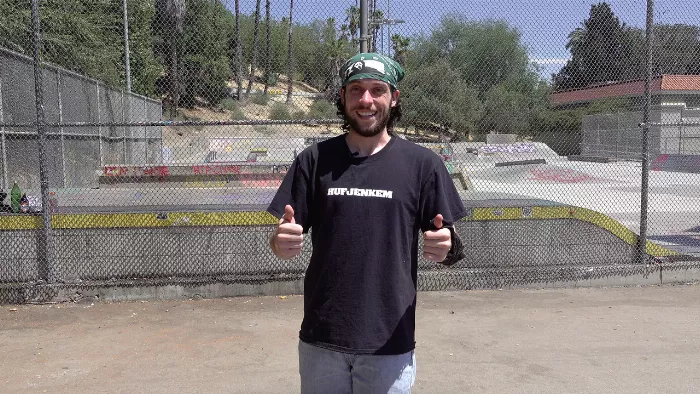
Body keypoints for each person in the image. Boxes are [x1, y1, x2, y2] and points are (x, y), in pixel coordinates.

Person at [267, 52, 467, 393]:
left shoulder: (423, 164)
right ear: (343, 97)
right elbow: (282, 236)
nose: (366, 100)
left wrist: (447, 246)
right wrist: (279, 242)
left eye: (377, 90)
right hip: (322, 338)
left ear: (393, 98)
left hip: (388, 341)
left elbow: (451, 245)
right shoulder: (314, 160)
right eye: (356, 90)